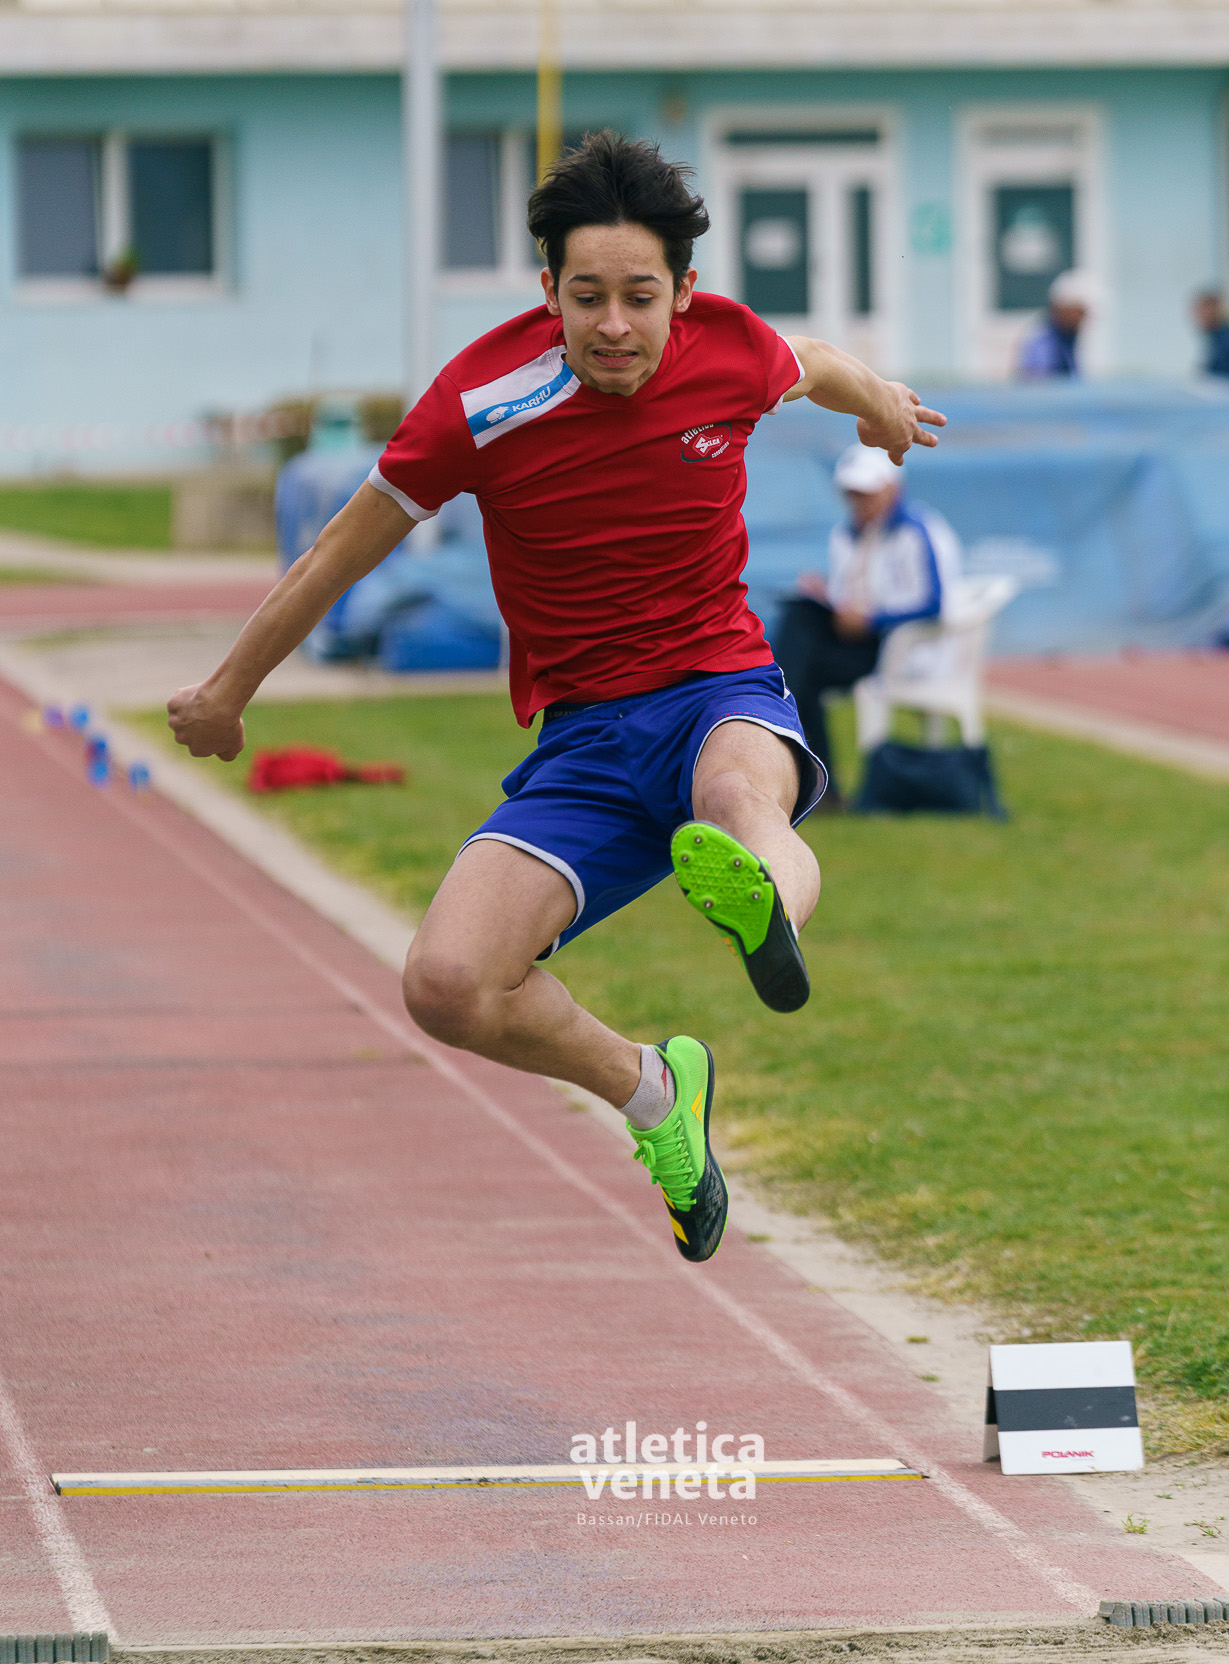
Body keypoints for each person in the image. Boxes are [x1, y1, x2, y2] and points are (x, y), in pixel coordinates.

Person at [167, 132, 945, 1265]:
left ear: (685, 292)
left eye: (641, 297)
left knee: (740, 799)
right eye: (588, 298)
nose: (614, 325)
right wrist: (227, 691)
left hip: (716, 685)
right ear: (549, 291)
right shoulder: (479, 401)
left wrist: (880, 408)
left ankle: (764, 909)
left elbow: (816, 363)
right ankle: (654, 1091)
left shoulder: (732, 350)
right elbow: (340, 551)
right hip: (582, 739)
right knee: (446, 985)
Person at [773, 445, 962, 807]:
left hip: (898, 646)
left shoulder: (919, 531)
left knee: (799, 667)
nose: (858, 501)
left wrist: (873, 619)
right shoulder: (847, 535)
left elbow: (934, 604)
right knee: (800, 615)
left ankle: (778, 710)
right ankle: (819, 780)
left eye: (865, 492)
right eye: (852, 493)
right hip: (859, 641)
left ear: (891, 488)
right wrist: (828, 598)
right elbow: (850, 598)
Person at [1015, 268, 1097, 379]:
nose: (1082, 319)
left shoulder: (1070, 340)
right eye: (1079, 312)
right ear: (1062, 309)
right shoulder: (1042, 345)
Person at [1192, 287, 1229, 380]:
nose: (1198, 317)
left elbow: (1224, 381)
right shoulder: (1218, 338)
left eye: (1201, 311)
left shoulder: (1227, 341)